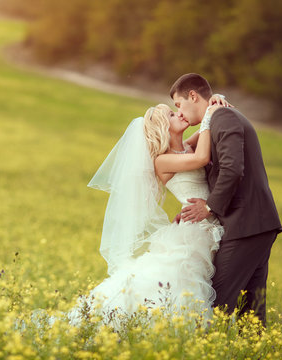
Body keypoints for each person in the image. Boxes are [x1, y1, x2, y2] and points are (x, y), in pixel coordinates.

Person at [65, 96, 230, 328]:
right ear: (163, 127)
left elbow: (202, 139)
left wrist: (217, 99)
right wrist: (210, 115)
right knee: (179, 282)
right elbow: (202, 156)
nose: (179, 114)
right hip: (196, 228)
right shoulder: (163, 161)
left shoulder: (186, 147)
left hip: (197, 221)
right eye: (172, 115)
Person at [169, 73, 282, 326]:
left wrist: (208, 207)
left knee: (215, 305)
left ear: (193, 96)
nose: (180, 112)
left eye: (179, 104)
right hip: (254, 224)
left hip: (246, 224)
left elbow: (232, 169)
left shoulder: (224, 116)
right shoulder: (215, 119)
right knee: (250, 313)